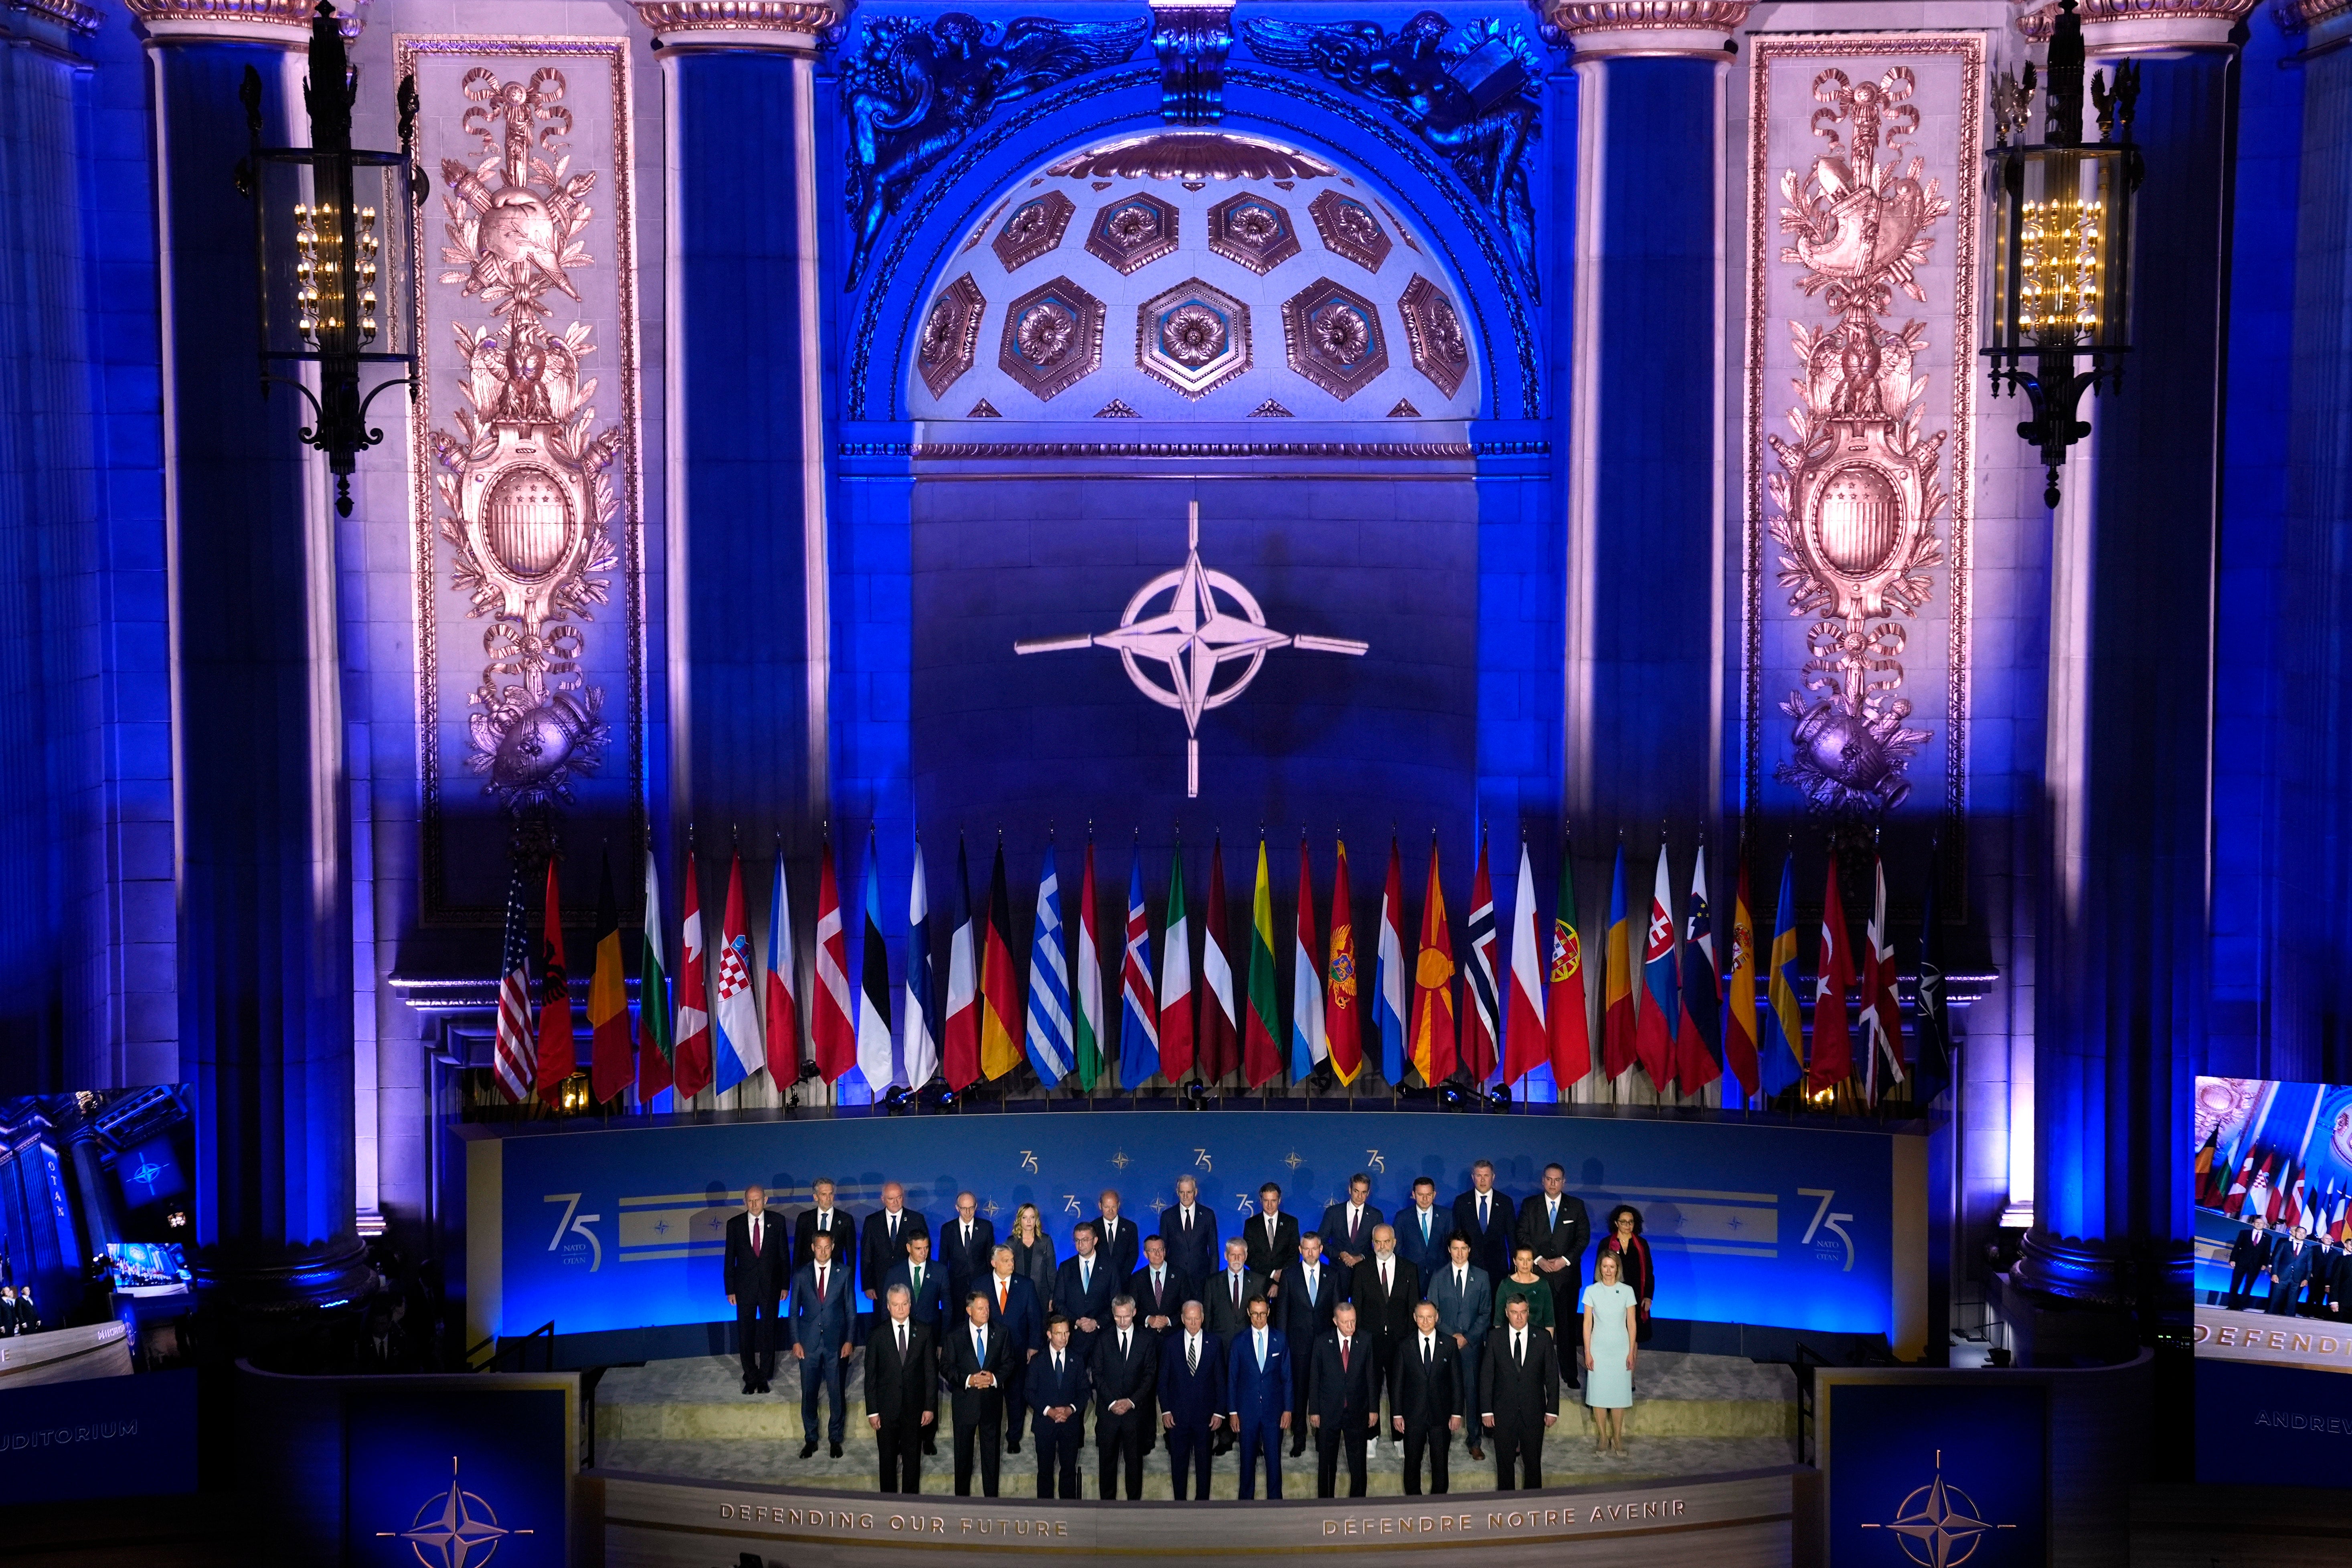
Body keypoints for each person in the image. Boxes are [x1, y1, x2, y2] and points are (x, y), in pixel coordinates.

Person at [1515, 1163, 1590, 1382]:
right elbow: (1522, 1234)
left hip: (1566, 1278)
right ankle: (1533, 1374)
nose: (1553, 1183)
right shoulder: (1530, 1205)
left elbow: (1583, 1238)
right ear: (1543, 1181)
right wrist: (1538, 1259)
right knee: (1535, 1327)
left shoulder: (1576, 1206)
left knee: (1566, 1329)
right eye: (1549, 1179)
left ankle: (1569, 1374)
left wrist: (1564, 1260)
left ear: (1564, 1182)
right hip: (1537, 1276)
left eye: (1557, 1180)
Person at [1480, 1294, 1561, 1490]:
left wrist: (1552, 1410)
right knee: (1504, 1465)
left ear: (1528, 1313)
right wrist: (1487, 1411)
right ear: (1507, 1314)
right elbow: (1486, 1376)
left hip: (1533, 1412)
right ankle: (1506, 1509)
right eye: (1514, 1313)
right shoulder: (1495, 1338)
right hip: (1503, 1413)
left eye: (1523, 1312)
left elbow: (1552, 1376)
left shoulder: (1542, 1338)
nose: (1519, 1317)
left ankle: (1534, 1509)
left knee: (1533, 1464)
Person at [1351, 1224, 1419, 1453]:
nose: (1382, 1247)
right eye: (1378, 1242)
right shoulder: (1362, 1269)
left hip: (1401, 1342)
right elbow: (1357, 1309)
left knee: (1399, 1387)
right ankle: (1372, 1435)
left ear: (1394, 1242)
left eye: (1386, 1242)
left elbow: (1414, 1308)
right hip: (1371, 1341)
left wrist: (1411, 1341)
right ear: (1372, 1243)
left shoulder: (1409, 1269)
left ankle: (1400, 1437)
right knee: (1371, 1387)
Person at [789, 1231, 855, 1458]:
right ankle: (811, 1439)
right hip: (808, 1345)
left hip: (836, 1344)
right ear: (813, 1247)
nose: (824, 1251)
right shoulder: (800, 1274)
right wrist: (796, 1341)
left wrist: (849, 1340)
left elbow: (851, 1311)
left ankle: (835, 1439)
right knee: (809, 1393)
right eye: (820, 1247)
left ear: (833, 1247)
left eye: (828, 1247)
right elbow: (793, 1313)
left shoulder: (844, 1273)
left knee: (836, 1393)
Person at [864, 1283, 935, 1493]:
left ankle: (910, 1506)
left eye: (904, 1304)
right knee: (887, 1461)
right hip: (886, 1411)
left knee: (913, 1461)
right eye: (896, 1305)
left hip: (914, 1410)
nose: (901, 1309)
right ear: (888, 1306)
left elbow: (930, 1373)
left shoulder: (924, 1332)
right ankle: (888, 1504)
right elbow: (871, 1377)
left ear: (910, 1304)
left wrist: (930, 1407)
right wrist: (873, 1411)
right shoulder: (877, 1335)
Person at [1428, 1232, 1492, 1461]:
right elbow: (1432, 1313)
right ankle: (1442, 1439)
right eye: (1456, 1248)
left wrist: (1468, 1337)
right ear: (1449, 1250)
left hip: (1471, 1347)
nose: (1460, 1253)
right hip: (1444, 1346)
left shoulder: (1482, 1277)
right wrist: (1451, 1336)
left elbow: (1486, 1313)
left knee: (1472, 1394)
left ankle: (1474, 1441)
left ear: (1470, 1250)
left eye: (1464, 1248)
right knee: (1443, 1394)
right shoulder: (1438, 1277)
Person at [1391, 1299, 1464, 1494]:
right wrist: (1397, 1414)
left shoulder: (1449, 1344)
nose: (1426, 1321)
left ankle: (1438, 1506)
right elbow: (1397, 1384)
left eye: (1430, 1317)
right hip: (1413, 1416)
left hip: (1441, 1416)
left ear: (1437, 1318)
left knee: (1440, 1464)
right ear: (1415, 1319)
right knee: (1412, 1464)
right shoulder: (1404, 1346)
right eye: (1421, 1317)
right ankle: (1414, 1505)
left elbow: (1457, 1381)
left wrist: (1457, 1413)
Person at [1307, 1300, 1378, 1498]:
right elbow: (1315, 1378)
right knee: (1327, 1462)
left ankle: (1358, 1502)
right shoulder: (1322, 1342)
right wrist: (1314, 1411)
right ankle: (1326, 1503)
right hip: (1330, 1411)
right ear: (1335, 1321)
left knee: (1358, 1462)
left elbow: (1371, 1376)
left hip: (1357, 1410)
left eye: (1354, 1322)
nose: (1351, 1327)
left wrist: (1373, 1409)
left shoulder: (1365, 1340)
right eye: (1346, 1322)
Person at [946, 1289, 1012, 1496]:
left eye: (988, 1308)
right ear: (969, 1310)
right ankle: (962, 1503)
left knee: (991, 1459)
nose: (986, 1312)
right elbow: (947, 1368)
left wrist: (992, 1378)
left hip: (991, 1405)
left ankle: (991, 1502)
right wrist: (969, 1380)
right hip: (965, 1404)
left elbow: (1009, 1363)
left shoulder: (1001, 1332)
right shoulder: (955, 1336)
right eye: (981, 1308)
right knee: (963, 1459)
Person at [725, 1184, 789, 1395]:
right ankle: (750, 1375)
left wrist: (785, 1285)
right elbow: (729, 1259)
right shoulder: (734, 1225)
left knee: (769, 1331)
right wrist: (730, 1289)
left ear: (766, 1200)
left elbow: (783, 1257)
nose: (754, 1204)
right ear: (745, 1202)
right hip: (744, 1289)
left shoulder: (777, 1222)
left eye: (758, 1200)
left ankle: (764, 1375)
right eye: (750, 1201)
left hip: (770, 1287)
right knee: (746, 1332)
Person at [1280, 1232, 1341, 1457]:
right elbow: (1283, 1313)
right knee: (1299, 1392)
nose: (1311, 1253)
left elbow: (1337, 1313)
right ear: (1300, 1250)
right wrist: (1284, 1346)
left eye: (1315, 1248)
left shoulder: (1332, 1275)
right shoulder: (1289, 1275)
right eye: (1306, 1249)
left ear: (1321, 1249)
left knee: (1324, 1392)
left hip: (1326, 1346)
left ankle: (1321, 1435)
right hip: (1298, 1346)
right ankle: (1299, 1437)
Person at [1091, 1295, 1158, 1499]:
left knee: (1135, 1465)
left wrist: (1130, 1402)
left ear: (1134, 1313)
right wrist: (1113, 1403)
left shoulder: (1147, 1340)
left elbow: (1149, 1376)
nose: (1122, 1322)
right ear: (1113, 1315)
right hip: (1108, 1414)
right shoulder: (1103, 1339)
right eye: (1118, 1317)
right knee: (1107, 1465)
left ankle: (1133, 1511)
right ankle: (1106, 1510)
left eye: (1126, 1317)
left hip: (1135, 1415)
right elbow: (1098, 1374)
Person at [1159, 1299, 1225, 1500]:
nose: (1193, 1323)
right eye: (1189, 1319)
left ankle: (1202, 1508)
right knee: (1179, 1465)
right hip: (1178, 1418)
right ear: (1182, 1319)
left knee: (1204, 1465)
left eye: (1197, 1319)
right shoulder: (1171, 1343)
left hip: (1206, 1418)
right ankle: (1180, 1506)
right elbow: (1163, 1380)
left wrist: (1219, 1412)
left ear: (1203, 1318)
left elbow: (1220, 1380)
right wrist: (1166, 1410)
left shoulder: (1214, 1343)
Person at [982, 1243, 1044, 1454]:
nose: (1012, 1264)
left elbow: (1035, 1319)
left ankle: (1014, 1437)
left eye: (1012, 1260)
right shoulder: (980, 1284)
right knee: (991, 1397)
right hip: (988, 1353)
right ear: (994, 1263)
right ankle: (991, 1437)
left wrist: (1034, 1346)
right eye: (1006, 1260)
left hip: (1018, 1351)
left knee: (1016, 1396)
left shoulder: (1025, 1285)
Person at [1227, 1295, 1291, 1499]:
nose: (1259, 1318)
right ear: (1248, 1313)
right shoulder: (1239, 1342)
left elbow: (1287, 1378)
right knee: (1247, 1461)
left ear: (1268, 1312)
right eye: (1255, 1314)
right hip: (1247, 1412)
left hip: (1274, 1411)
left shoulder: (1280, 1339)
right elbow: (1232, 1379)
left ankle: (1276, 1505)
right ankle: (1245, 1505)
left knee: (1274, 1462)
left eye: (1263, 1314)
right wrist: (1233, 1412)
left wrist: (1288, 1409)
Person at [1581, 1250, 1639, 1459]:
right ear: (1600, 1268)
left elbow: (1632, 1324)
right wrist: (1587, 1352)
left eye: (1612, 1267)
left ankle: (1618, 1437)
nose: (1608, 1271)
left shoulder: (1627, 1291)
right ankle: (1604, 1437)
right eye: (1605, 1267)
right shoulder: (1591, 1291)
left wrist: (1631, 1351)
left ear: (1618, 1269)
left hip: (1621, 1349)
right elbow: (1587, 1324)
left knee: (1619, 1396)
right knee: (1598, 1395)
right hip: (1599, 1349)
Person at [1028, 1314, 1091, 1499]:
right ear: (1049, 1334)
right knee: (1045, 1472)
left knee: (1069, 1471)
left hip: (1070, 1426)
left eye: (1066, 1333)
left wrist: (1071, 1409)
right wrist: (1049, 1411)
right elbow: (1029, 1392)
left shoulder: (1077, 1359)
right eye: (1059, 1333)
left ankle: (1068, 1512)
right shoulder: (1038, 1360)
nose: (1064, 1338)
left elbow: (1084, 1391)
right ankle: (1045, 1514)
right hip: (1045, 1425)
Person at [860, 1182, 929, 1316]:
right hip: (881, 1282)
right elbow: (866, 1255)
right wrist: (868, 1285)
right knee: (883, 1320)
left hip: (910, 1280)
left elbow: (926, 1251)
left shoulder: (916, 1219)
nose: (896, 1202)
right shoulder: (872, 1221)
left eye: (899, 1197)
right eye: (891, 1199)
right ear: (883, 1200)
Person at [1055, 1220, 1116, 1361]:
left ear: (1095, 1240)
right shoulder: (1066, 1268)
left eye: (1085, 1240)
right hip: (1074, 1339)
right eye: (1077, 1240)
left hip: (1102, 1337)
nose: (1080, 1245)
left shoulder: (1109, 1267)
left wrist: (1096, 1322)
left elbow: (1116, 1302)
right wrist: (1076, 1321)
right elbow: (1058, 1303)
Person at [1598, 1204, 1656, 1344]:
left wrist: (1648, 1296)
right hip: (1612, 1296)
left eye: (1631, 1222)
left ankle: (1630, 1365)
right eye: (1624, 1222)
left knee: (1634, 1336)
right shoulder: (1606, 1243)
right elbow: (1599, 1272)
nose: (1628, 1225)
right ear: (1616, 1223)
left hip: (1636, 1296)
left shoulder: (1642, 1244)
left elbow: (1649, 1271)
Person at [1452, 1159, 1517, 1283]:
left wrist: (1514, 1269)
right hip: (1469, 1268)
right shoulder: (1461, 1202)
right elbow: (1456, 1236)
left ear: (1493, 1177)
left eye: (1486, 1176)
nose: (1483, 1180)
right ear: (1473, 1177)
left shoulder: (1505, 1202)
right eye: (1479, 1176)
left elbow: (1512, 1238)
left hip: (1498, 1269)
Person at [794, 1178, 856, 1294]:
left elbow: (851, 1256)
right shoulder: (804, 1219)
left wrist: (850, 1284)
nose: (828, 1198)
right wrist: (796, 1283)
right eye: (824, 1194)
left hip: (836, 1278)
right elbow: (798, 1253)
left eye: (831, 1194)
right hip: (810, 1278)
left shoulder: (846, 1220)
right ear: (816, 1197)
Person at [1319, 1173, 1383, 1283]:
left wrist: (1361, 1257)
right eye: (1356, 1191)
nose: (1360, 1196)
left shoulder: (1376, 1216)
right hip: (1338, 1273)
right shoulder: (1333, 1213)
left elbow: (1380, 1246)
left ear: (1368, 1193)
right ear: (1350, 1190)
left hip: (1364, 1274)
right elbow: (1321, 1242)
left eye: (1364, 1193)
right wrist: (1340, 1255)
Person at [880, 1231, 949, 1331]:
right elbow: (886, 1308)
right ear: (909, 1248)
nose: (924, 1253)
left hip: (931, 1333)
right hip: (903, 1334)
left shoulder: (940, 1271)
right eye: (918, 1249)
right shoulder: (895, 1273)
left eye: (926, 1248)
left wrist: (943, 1341)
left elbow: (947, 1309)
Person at [939, 1190, 996, 1307]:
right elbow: (943, 1260)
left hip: (981, 1285)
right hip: (956, 1287)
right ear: (957, 1208)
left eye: (971, 1208)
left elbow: (990, 1258)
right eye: (964, 1208)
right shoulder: (948, 1229)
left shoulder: (986, 1227)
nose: (968, 1212)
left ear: (976, 1207)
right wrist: (943, 1287)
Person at [1160, 1173, 1220, 1284]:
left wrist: (1213, 1279)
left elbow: (1214, 1251)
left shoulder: (1208, 1215)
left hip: (1202, 1278)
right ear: (1178, 1193)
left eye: (1189, 1192)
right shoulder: (1167, 1216)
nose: (1185, 1196)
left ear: (1195, 1192)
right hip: (1175, 1278)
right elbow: (1163, 1249)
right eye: (1182, 1192)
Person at [1206, 1235, 1269, 1339]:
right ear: (1226, 1256)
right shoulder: (1212, 1282)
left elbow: (1263, 1317)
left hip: (1249, 1343)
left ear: (1246, 1256)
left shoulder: (1259, 1282)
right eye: (1233, 1255)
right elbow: (1208, 1317)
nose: (1237, 1259)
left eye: (1240, 1255)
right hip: (1221, 1343)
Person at [1395, 1175, 1455, 1280]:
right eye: (1421, 1195)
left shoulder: (1447, 1216)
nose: (1425, 1199)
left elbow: (1453, 1245)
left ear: (1434, 1194)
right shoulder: (1402, 1217)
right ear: (1414, 1195)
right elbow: (1397, 1248)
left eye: (1429, 1195)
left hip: (1441, 1274)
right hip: (1412, 1275)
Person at [1245, 1182, 1301, 1295]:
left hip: (1284, 1284)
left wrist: (1279, 1280)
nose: (1270, 1205)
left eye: (1274, 1201)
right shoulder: (1251, 1224)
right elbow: (1249, 1257)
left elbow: (1294, 1255)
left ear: (1279, 1201)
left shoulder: (1291, 1223)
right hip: (1258, 1284)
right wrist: (1272, 1274)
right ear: (1261, 1201)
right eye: (1266, 1201)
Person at [1494, 1245, 1557, 1338]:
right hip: (1511, 1338)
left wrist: (1548, 1346)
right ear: (1515, 1261)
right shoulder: (1505, 1285)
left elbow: (1549, 1320)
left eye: (1529, 1260)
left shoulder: (1543, 1285)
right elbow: (1498, 1320)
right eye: (1521, 1260)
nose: (1525, 1264)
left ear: (1533, 1262)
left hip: (1538, 1338)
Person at [1010, 1202, 1058, 1313]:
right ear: (1019, 1220)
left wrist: (1053, 1297)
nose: (1029, 1221)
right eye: (1025, 1218)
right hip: (1017, 1296)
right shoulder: (1011, 1243)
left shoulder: (1046, 1241)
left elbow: (1052, 1272)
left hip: (1041, 1297)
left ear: (1036, 1220)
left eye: (1032, 1217)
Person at [2269, 1225, 2321, 1315]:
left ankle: (2290, 1322)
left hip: (2297, 1279)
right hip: (2282, 1276)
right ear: (2295, 1233)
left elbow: (2309, 1265)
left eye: (2304, 1233)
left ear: (2306, 1236)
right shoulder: (2285, 1244)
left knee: (2292, 1302)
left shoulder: (2308, 1249)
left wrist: (2306, 1279)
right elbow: (2276, 1259)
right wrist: (2274, 1274)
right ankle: (2269, 1318)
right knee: (2275, 1299)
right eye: (2299, 1232)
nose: (2301, 1234)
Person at [2225, 1215, 2271, 1310]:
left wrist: (2264, 1264)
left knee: (2249, 1285)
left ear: (2265, 1225)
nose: (2259, 1224)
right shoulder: (2245, 1233)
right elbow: (2237, 1247)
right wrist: (2233, 1259)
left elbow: (2267, 1252)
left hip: (2256, 1265)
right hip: (2241, 1262)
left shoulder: (2268, 1237)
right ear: (2253, 1224)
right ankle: (2232, 1304)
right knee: (2235, 1283)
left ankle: (2241, 1305)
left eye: (2261, 1223)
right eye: (2257, 1223)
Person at [1095, 1190, 1141, 1281]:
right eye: (1107, 1207)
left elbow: (1133, 1255)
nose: (1110, 1211)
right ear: (1100, 1206)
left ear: (1119, 1205)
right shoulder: (1093, 1228)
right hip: (1099, 1282)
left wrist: (1121, 1278)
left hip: (1123, 1282)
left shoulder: (1130, 1227)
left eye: (1114, 1207)